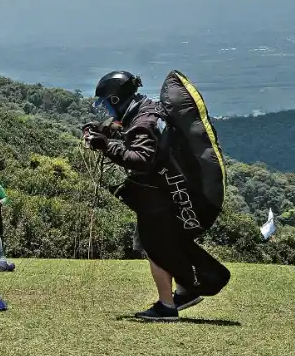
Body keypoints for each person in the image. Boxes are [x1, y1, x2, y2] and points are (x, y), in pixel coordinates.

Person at [82, 71, 231, 321]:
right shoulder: (148, 110)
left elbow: (141, 159)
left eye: (107, 103)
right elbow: (131, 134)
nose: (106, 109)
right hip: (175, 194)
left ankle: (167, 305)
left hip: (164, 198)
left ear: (117, 100)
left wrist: (105, 145)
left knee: (155, 245)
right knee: (163, 243)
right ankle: (186, 290)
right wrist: (104, 132)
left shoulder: (142, 123)